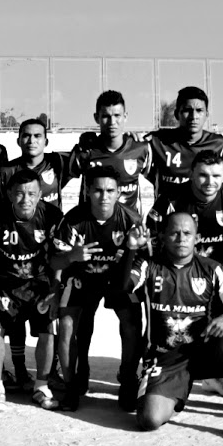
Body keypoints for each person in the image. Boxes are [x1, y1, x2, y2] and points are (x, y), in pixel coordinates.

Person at [128, 213, 223, 442]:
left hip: (205, 353)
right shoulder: (148, 265)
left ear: (197, 238)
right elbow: (123, 286)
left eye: (187, 233)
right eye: (174, 233)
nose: (181, 238)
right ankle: (174, 394)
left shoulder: (213, 269)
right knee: (148, 420)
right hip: (166, 360)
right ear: (162, 236)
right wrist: (131, 250)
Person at [52, 165, 149, 412]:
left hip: (119, 278)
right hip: (83, 279)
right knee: (69, 326)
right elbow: (53, 262)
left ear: (119, 193)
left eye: (110, 191)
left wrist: (130, 254)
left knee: (131, 322)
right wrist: (72, 256)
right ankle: (73, 381)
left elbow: (144, 259)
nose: (104, 197)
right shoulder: (73, 220)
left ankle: (128, 378)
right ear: (87, 191)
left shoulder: (132, 220)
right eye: (98, 190)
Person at [0, 168, 65, 409]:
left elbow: (59, 255)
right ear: (9, 194)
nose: (25, 199)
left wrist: (55, 289)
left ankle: (41, 386)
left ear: (40, 195)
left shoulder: (52, 215)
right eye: (19, 193)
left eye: (31, 194)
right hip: (5, 281)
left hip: (40, 282)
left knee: (48, 330)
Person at [144, 86, 223, 200]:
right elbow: (129, 152)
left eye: (199, 110)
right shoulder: (157, 141)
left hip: (206, 208)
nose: (193, 117)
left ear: (207, 115)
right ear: (176, 114)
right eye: (187, 110)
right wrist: (129, 140)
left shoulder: (220, 143)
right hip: (168, 208)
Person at [67, 90, 154, 212]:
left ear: (125, 117)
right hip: (91, 222)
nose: (112, 122)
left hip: (128, 222)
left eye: (117, 116)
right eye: (106, 116)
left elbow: (159, 183)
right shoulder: (85, 151)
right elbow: (58, 180)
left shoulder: (141, 149)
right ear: (96, 118)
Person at [0, 116, 68, 207]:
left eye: (37, 136)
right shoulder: (7, 172)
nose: (31, 141)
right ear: (18, 141)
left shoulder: (57, 162)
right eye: (26, 136)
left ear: (46, 142)